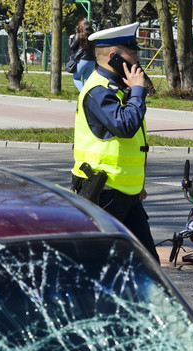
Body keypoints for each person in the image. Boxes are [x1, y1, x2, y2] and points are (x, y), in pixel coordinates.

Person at [70, 21, 159, 262]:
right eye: (132, 52)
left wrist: (136, 184)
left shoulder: (118, 87)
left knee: (147, 263)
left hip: (126, 194)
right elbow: (125, 126)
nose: (137, 58)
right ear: (114, 57)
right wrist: (138, 91)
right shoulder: (98, 91)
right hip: (104, 192)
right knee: (97, 263)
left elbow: (129, 144)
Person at [69, 18, 96, 91]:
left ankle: (84, 94)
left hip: (82, 60)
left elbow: (72, 46)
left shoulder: (79, 35)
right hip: (92, 61)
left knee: (76, 78)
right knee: (86, 79)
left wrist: (71, 38)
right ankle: (89, 95)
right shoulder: (93, 35)